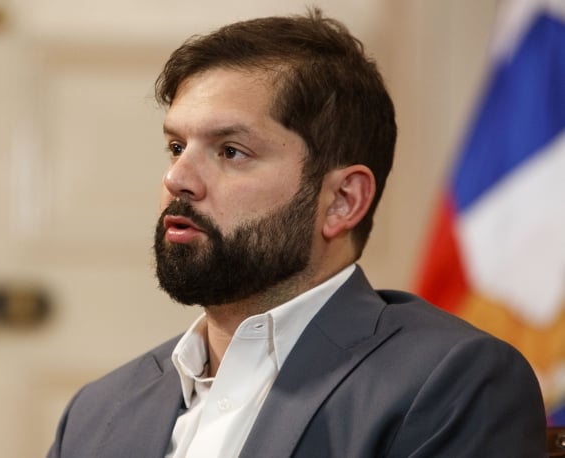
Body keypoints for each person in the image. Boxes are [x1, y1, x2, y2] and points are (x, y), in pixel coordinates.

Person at [47, 8, 547, 458]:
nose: (177, 179)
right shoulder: (97, 412)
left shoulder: (452, 384)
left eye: (231, 151)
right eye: (177, 147)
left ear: (342, 200)